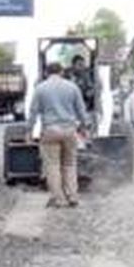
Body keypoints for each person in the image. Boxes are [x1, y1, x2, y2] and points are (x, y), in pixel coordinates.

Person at [28, 61, 89, 209]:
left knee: (52, 166)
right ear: (61, 72)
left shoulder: (40, 88)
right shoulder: (72, 87)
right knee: (70, 164)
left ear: (47, 73)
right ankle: (73, 196)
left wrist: (29, 131)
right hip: (69, 130)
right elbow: (81, 110)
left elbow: (33, 112)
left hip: (50, 131)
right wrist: (84, 127)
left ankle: (59, 199)